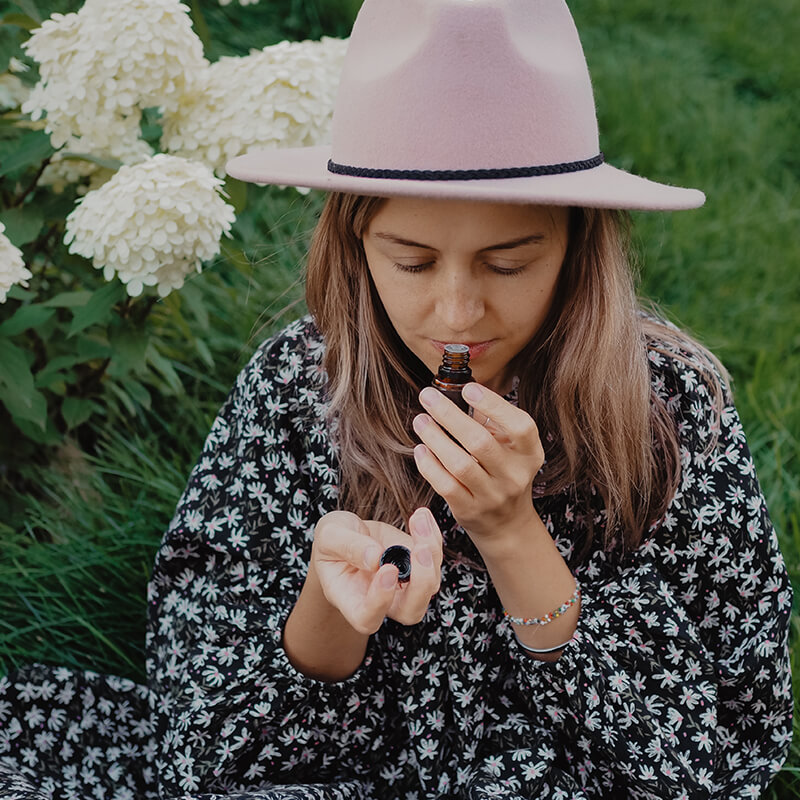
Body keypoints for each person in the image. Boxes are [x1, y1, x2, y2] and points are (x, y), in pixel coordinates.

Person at [0, 0, 793, 798]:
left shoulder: (670, 412)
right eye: (412, 263)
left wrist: (513, 536)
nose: (456, 314)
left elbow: (713, 762)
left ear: (579, 247)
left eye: (508, 264)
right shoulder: (300, 389)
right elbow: (208, 750)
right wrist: (333, 607)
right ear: (354, 245)